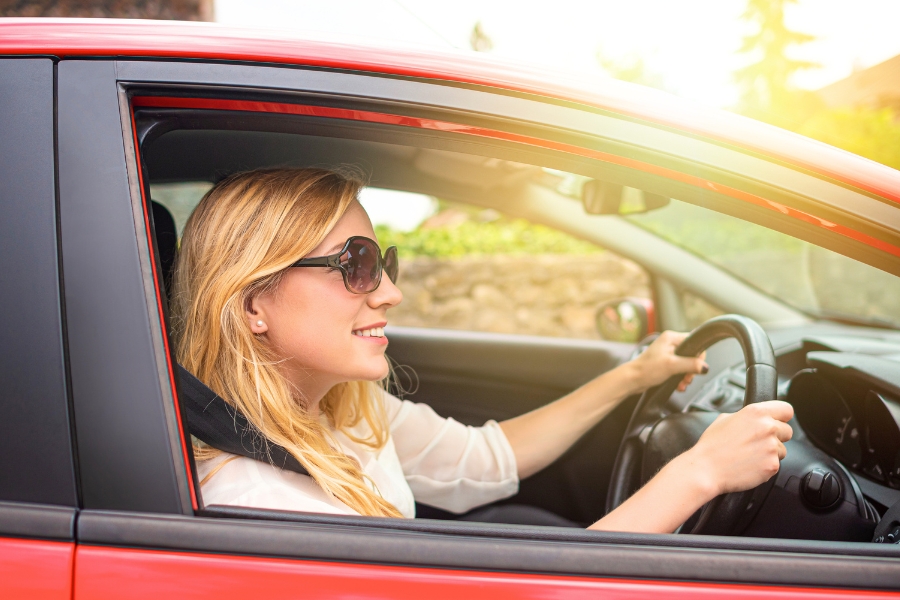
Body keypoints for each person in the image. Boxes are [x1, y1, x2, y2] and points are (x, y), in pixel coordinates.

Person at [171, 167, 793, 532]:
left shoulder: (347, 409)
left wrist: (634, 375)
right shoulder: (259, 510)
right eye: (355, 264)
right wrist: (700, 471)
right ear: (252, 302)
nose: (390, 292)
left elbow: (485, 459)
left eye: (383, 260)